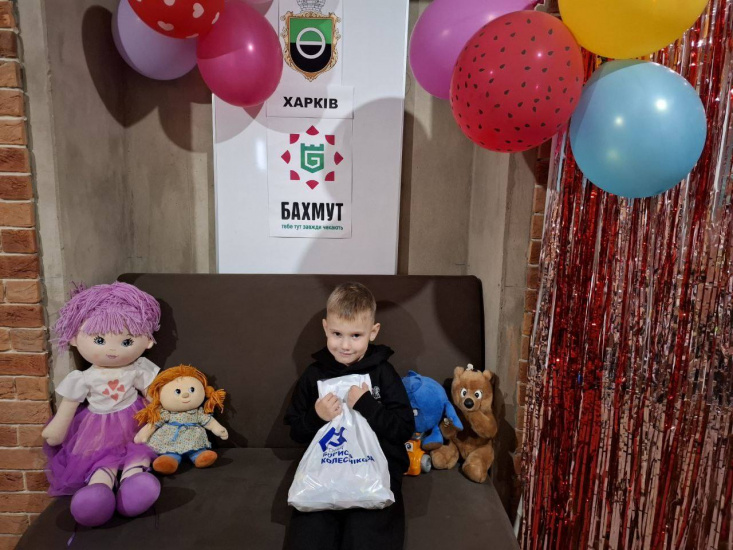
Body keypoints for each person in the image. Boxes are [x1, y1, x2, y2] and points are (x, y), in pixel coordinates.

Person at [285, 282, 415, 550]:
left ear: (373, 332)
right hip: (326, 468)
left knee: (367, 535)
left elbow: (404, 428)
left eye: (356, 335)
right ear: (325, 328)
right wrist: (316, 415)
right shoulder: (314, 375)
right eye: (337, 334)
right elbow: (296, 431)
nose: (345, 345)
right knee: (310, 534)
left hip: (375, 468)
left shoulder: (383, 373)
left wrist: (368, 405)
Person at [42, 282, 163, 527]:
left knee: (138, 455)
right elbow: (69, 406)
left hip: (136, 422)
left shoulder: (137, 369)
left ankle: (134, 483)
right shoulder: (81, 378)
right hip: (95, 430)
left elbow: (154, 397)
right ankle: (98, 492)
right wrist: (56, 431)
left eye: (126, 342)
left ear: (147, 341)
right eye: (99, 340)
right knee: (100, 462)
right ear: (74, 339)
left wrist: (163, 413)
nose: (112, 350)